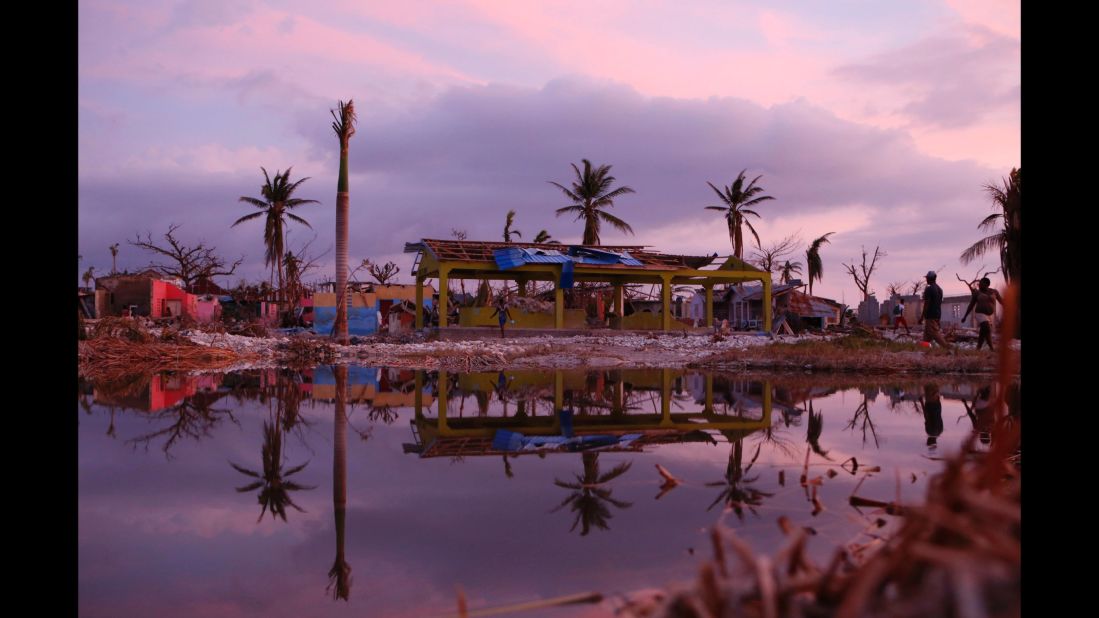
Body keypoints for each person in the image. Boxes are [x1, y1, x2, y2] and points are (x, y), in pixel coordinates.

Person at [961, 277, 1003, 351]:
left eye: (981, 283)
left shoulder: (994, 292)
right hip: (979, 313)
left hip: (990, 315)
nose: (979, 284)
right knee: (986, 327)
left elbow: (1001, 301)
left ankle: (978, 348)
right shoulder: (976, 293)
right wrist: (965, 316)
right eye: (979, 283)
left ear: (986, 284)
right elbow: (971, 305)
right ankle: (991, 348)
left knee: (984, 331)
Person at [916, 271, 952, 350]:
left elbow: (927, 304)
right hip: (937, 314)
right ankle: (924, 350)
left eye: (927, 278)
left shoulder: (929, 289)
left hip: (930, 315)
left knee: (934, 333)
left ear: (929, 278)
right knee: (927, 336)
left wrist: (922, 317)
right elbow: (939, 304)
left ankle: (947, 347)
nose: (926, 280)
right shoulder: (940, 289)